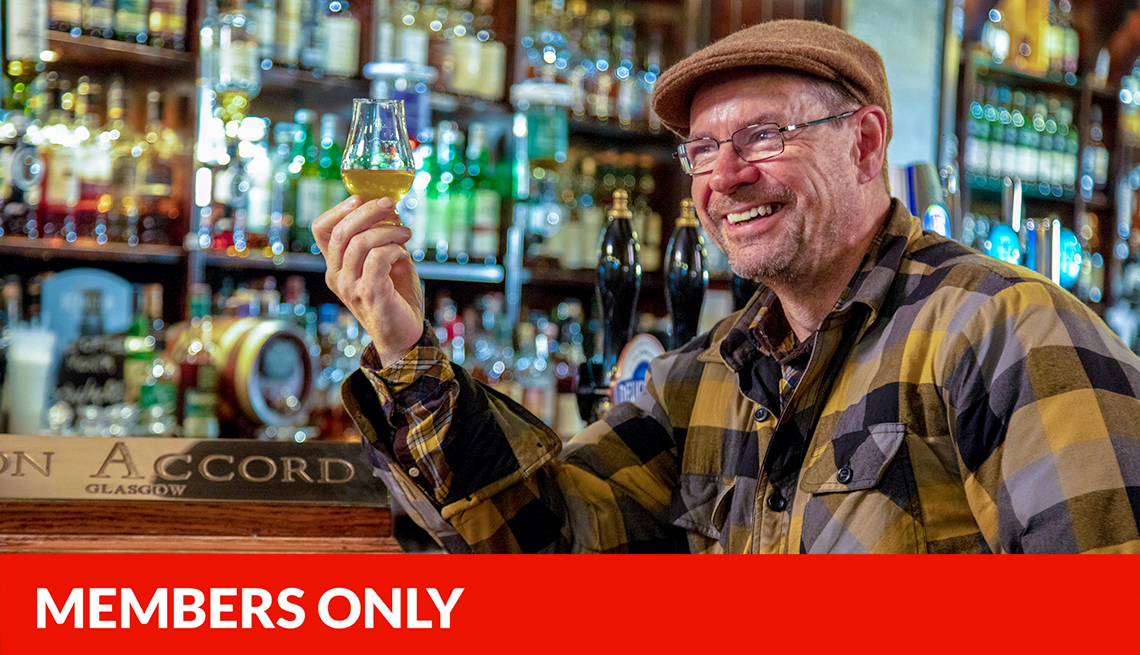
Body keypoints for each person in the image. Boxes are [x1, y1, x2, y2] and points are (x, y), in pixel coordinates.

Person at [312, 20, 1140, 553]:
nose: (727, 177)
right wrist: (404, 345)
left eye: (765, 136)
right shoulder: (705, 377)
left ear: (865, 142)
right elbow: (536, 538)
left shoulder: (1007, 330)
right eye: (703, 151)